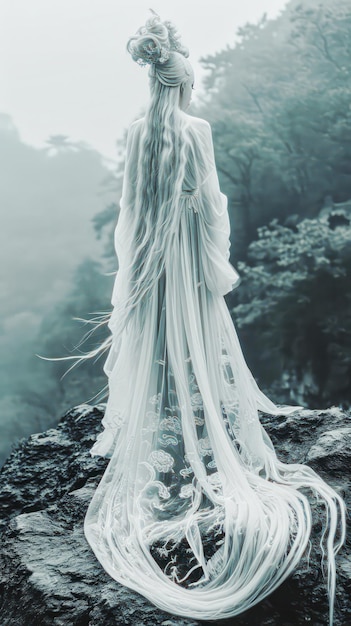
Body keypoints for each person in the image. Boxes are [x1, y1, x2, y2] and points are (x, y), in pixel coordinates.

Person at [83, 11, 345, 624]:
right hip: (187, 257)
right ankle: (196, 415)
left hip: (151, 255)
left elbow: (129, 210)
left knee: (157, 339)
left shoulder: (135, 131)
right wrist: (214, 266)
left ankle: (164, 410)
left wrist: (135, 264)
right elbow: (213, 206)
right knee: (199, 336)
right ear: (184, 84)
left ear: (153, 81)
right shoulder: (195, 129)